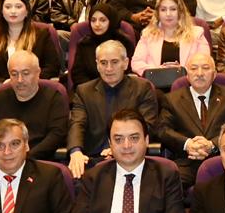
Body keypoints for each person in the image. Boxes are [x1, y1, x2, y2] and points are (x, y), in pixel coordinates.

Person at [68, 39, 161, 178]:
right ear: (97, 65)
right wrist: (76, 151)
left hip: (130, 156)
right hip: (93, 159)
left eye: (114, 62)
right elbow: (77, 123)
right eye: (103, 63)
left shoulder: (142, 88)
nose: (109, 68)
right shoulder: (84, 91)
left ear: (125, 63)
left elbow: (147, 126)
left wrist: (117, 148)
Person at [159, 48, 225, 190]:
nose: (199, 73)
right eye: (194, 68)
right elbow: (163, 130)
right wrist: (188, 144)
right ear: (187, 75)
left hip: (221, 160)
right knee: (168, 185)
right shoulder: (171, 99)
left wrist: (212, 145)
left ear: (214, 74)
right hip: (187, 161)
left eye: (205, 68)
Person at [0, 0, 60, 92]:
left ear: (27, 11)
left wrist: (28, 81)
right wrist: (2, 84)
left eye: (18, 7)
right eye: (8, 7)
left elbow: (52, 67)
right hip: (0, 91)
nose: (13, 11)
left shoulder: (42, 35)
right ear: (2, 12)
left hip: (34, 89)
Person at [131, 0, 209, 75]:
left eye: (173, 9)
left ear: (181, 12)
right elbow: (136, 63)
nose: (168, 14)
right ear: (158, 14)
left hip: (186, 81)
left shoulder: (197, 34)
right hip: (155, 81)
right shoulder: (147, 34)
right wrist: (159, 71)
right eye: (163, 10)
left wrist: (180, 71)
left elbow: (204, 63)